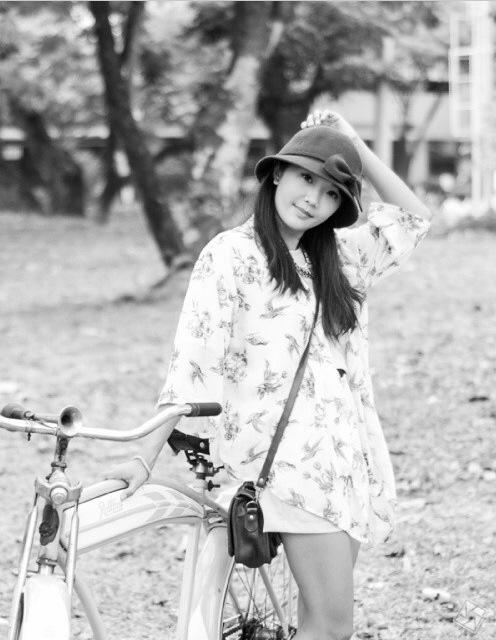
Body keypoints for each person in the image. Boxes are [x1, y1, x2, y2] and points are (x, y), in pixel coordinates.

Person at [105, 109, 432, 640]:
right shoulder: (230, 255)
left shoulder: (339, 259)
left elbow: (414, 218)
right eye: (307, 178)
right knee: (333, 626)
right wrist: (144, 457)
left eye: (332, 194)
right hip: (281, 466)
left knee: (315, 621)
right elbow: (192, 365)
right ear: (277, 173)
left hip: (341, 459)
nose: (314, 199)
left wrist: (354, 142)